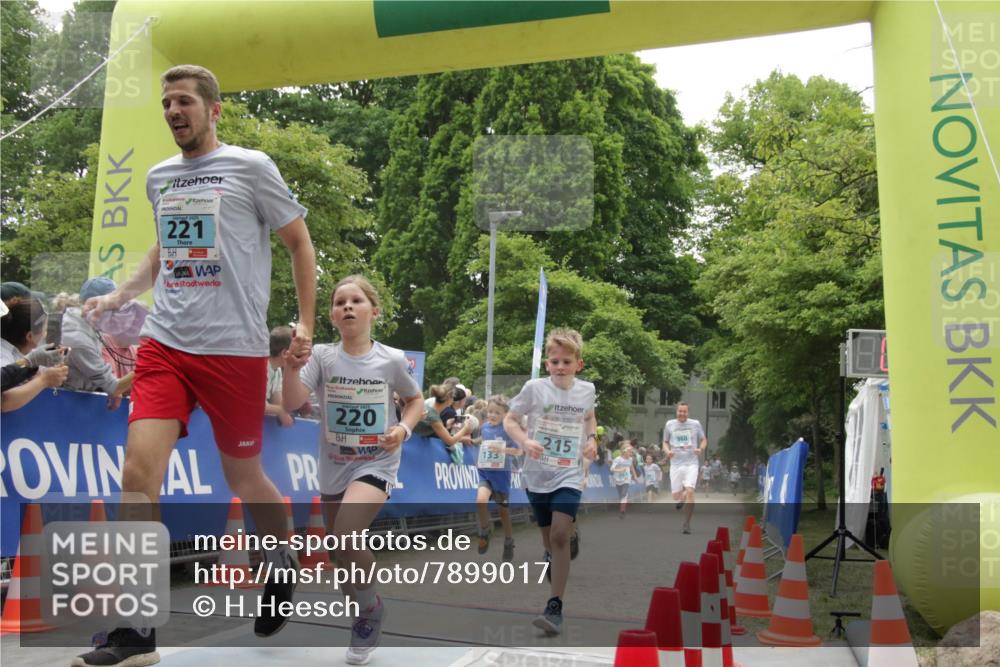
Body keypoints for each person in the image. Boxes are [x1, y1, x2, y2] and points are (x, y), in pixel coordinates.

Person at [75, 64, 316, 667]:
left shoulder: (252, 167)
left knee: (244, 479)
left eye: (184, 101)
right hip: (165, 346)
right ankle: (138, 633)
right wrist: (119, 296)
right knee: (136, 475)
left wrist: (306, 323)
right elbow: (162, 251)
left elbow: (298, 243)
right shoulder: (159, 178)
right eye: (166, 104)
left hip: (232, 350)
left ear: (214, 110)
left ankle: (280, 564)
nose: (173, 112)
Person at [281, 275, 423, 665]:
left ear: (373, 311)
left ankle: (370, 609)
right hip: (335, 465)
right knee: (340, 554)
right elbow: (292, 402)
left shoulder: (391, 359)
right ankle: (361, 613)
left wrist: (402, 428)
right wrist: (291, 369)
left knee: (345, 536)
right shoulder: (323, 357)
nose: (346, 306)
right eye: (339, 302)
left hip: (377, 461)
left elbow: (415, 401)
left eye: (356, 300)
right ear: (331, 315)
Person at [504, 328, 597, 636]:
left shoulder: (586, 390)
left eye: (567, 362)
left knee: (558, 535)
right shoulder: (534, 388)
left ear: (578, 365)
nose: (560, 367)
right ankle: (557, 547)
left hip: (569, 473)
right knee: (548, 539)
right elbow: (509, 419)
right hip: (536, 474)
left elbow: (589, 417)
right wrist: (524, 441)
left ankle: (554, 607)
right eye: (555, 361)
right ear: (547, 364)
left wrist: (593, 439)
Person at [61, 277, 134, 408]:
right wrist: (147, 364)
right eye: (114, 307)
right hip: (67, 407)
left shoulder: (87, 324)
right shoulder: (78, 338)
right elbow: (113, 386)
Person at [1, 298, 69, 412]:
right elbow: (4, 402)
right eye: (44, 329)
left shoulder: (22, 351)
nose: (45, 334)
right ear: (30, 336)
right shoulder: (3, 355)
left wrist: (52, 367)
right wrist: (44, 380)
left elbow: (22, 367)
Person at [475, 395, 521, 561]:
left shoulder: (509, 429)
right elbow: (485, 440)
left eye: (497, 412)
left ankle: (508, 540)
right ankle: (485, 530)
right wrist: (474, 441)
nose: (492, 415)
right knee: (480, 501)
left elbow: (518, 451)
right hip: (485, 471)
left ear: (505, 414)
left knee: (503, 511)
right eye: (490, 411)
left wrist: (503, 451)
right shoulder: (484, 427)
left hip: (501, 475)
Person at [663, 401, 707, 535]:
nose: (682, 413)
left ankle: (687, 523)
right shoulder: (669, 424)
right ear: (676, 411)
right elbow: (665, 442)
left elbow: (704, 439)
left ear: (688, 412)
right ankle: (681, 497)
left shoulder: (695, 424)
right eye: (680, 411)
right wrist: (667, 451)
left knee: (690, 491)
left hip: (691, 463)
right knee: (676, 497)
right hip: (676, 464)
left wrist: (701, 449)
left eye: (685, 411)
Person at [414, 383, 473, 453]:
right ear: (448, 400)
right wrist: (465, 429)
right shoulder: (434, 418)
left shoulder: (428, 409)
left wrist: (447, 427)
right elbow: (450, 441)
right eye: (452, 398)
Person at [265, 325, 295, 426]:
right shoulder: (260, 368)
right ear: (284, 353)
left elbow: (278, 401)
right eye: (296, 353)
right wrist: (280, 411)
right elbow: (258, 405)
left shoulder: (277, 370)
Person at [611, 444, 636, 519]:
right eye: (630, 452)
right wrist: (619, 470)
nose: (631, 453)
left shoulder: (630, 459)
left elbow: (631, 467)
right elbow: (612, 469)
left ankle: (622, 511)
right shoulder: (618, 459)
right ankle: (623, 505)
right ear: (624, 452)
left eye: (631, 452)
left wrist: (634, 475)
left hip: (626, 479)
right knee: (621, 496)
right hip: (618, 479)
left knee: (623, 494)